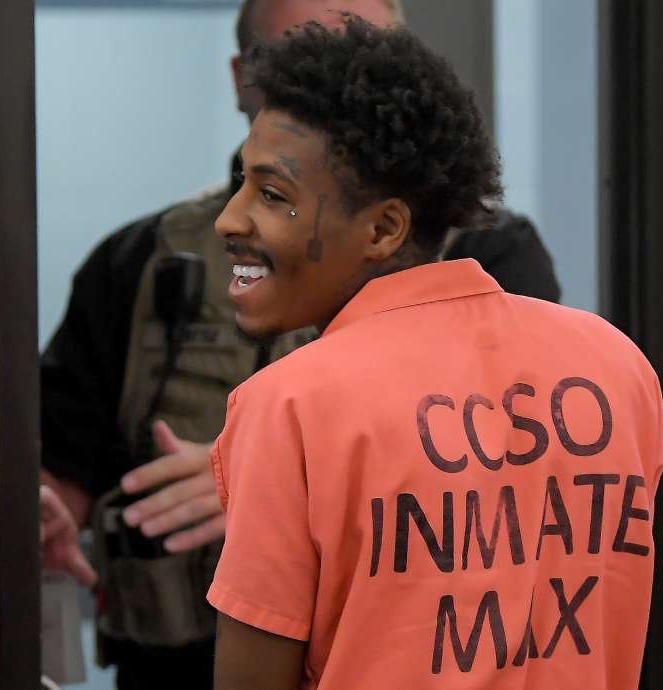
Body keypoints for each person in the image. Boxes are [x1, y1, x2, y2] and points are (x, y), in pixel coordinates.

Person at [38, 1, 560, 688]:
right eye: (299, 59)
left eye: (367, 54)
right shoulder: (142, 262)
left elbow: (525, 480)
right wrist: (36, 515)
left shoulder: (491, 258)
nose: (343, 81)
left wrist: (270, 487)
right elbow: (59, 471)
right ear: (240, 80)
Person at [207, 19, 663, 689]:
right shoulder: (617, 366)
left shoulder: (291, 404)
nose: (228, 218)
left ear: (384, 228)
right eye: (242, 183)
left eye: (273, 195)